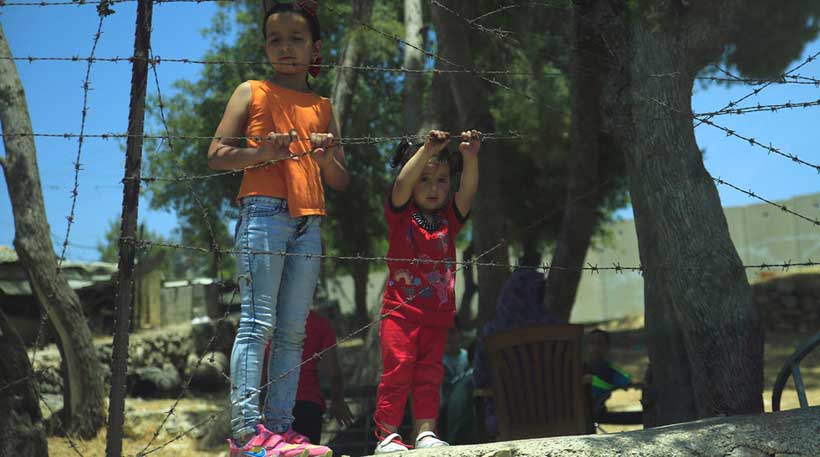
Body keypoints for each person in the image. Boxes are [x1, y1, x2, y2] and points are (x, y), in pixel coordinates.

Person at [207, 1, 349, 456]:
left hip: (310, 221)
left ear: (316, 47)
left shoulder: (323, 106)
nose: (285, 48)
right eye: (275, 40)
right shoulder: (252, 92)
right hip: (264, 213)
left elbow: (341, 178)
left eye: (296, 39)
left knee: (293, 332)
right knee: (256, 324)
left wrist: (325, 159)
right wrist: (260, 154)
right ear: (265, 46)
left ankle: (282, 431)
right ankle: (249, 434)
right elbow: (215, 154)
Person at [373, 130, 481, 453]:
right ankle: (387, 435)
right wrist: (427, 151)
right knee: (398, 370)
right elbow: (401, 185)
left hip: (437, 317)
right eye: (425, 179)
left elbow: (468, 190)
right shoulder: (400, 215)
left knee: (430, 375)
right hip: (400, 314)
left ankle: (425, 433)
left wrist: (470, 157)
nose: (434, 188)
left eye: (442, 180)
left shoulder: (450, 220)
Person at [471, 269, 561, 438]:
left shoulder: (491, 332)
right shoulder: (556, 328)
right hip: (557, 414)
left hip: (507, 419)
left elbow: (479, 379)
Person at [583, 329, 641, 426]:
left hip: (598, 412)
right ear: (587, 346)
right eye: (592, 343)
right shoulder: (580, 368)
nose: (595, 347)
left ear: (607, 347)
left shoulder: (611, 370)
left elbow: (627, 384)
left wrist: (594, 381)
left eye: (600, 343)